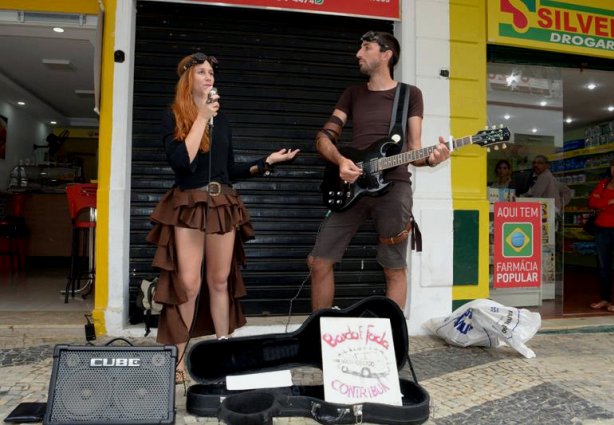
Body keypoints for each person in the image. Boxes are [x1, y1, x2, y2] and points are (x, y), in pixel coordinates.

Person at [146, 52, 299, 383]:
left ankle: (223, 353)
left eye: (211, 72)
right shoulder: (173, 115)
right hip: (188, 203)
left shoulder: (223, 119)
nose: (209, 76)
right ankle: (176, 359)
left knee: (219, 281)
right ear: (188, 78)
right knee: (187, 284)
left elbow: (228, 169)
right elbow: (181, 162)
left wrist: (266, 161)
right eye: (201, 72)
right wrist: (201, 117)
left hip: (222, 204)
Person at [307, 31, 450, 311]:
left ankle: (392, 341)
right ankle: (318, 333)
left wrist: (433, 159)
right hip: (351, 186)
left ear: (386, 54)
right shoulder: (352, 94)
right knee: (319, 260)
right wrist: (340, 161)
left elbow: (416, 150)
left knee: (393, 268)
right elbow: (324, 137)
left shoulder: (410, 94)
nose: (358, 54)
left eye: (366, 48)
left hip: (394, 188)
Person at [588, 158, 614, 312]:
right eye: (613, 166)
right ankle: (605, 299)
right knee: (604, 267)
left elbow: (598, 201)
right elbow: (592, 202)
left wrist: (602, 201)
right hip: (601, 229)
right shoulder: (604, 183)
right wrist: (609, 202)